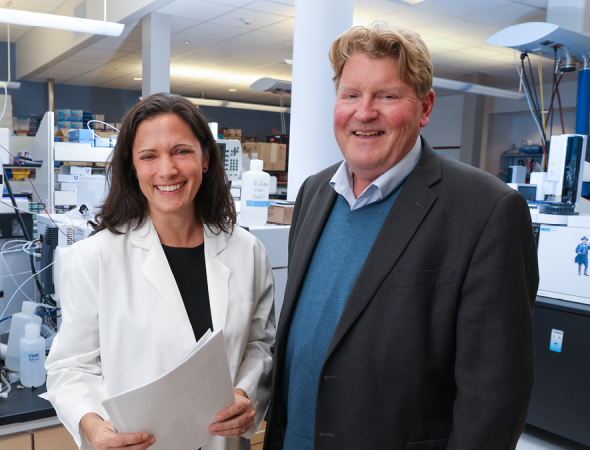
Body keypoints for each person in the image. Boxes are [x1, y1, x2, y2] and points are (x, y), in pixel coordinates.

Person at [263, 23, 539, 450]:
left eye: (387, 96)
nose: (364, 112)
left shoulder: (486, 211)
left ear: (425, 107)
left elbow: (495, 396)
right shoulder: (315, 192)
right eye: (351, 94)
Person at [45, 93, 276, 450]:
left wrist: (245, 394)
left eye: (181, 151)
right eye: (149, 156)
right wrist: (95, 429)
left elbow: (260, 345)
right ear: (132, 167)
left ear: (205, 159)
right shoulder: (93, 258)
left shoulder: (248, 252)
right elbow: (70, 368)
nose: (167, 170)